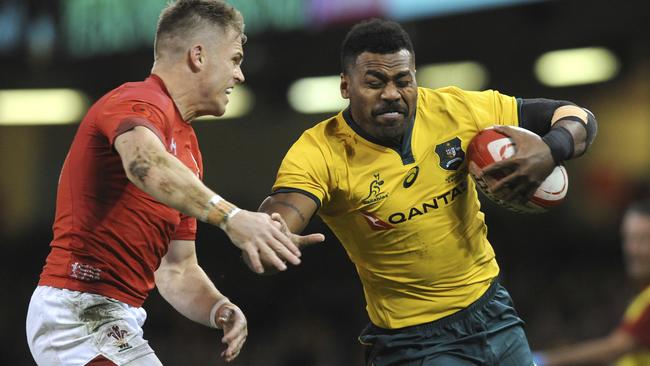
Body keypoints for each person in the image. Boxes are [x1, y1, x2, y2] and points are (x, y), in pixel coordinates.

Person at [254, 19, 598, 365]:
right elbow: (284, 208)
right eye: (374, 83)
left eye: (403, 81)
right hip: (414, 342)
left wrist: (552, 148)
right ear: (346, 86)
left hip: (495, 313)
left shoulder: (453, 109)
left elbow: (578, 117)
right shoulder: (319, 151)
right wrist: (269, 239)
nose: (391, 94)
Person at [25, 1, 323, 365]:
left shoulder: (188, 150)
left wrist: (220, 309)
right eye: (235, 59)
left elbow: (175, 268)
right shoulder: (137, 100)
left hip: (114, 317)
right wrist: (232, 217)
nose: (240, 75)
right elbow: (144, 165)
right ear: (198, 55)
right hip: (78, 310)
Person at [533, 198, 650, 366]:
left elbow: (614, 348)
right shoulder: (643, 295)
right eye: (628, 239)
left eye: (642, 239)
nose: (632, 249)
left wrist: (541, 360)